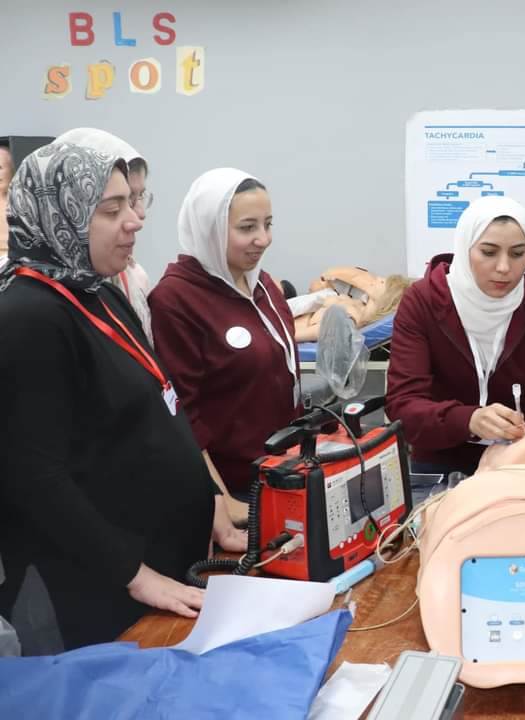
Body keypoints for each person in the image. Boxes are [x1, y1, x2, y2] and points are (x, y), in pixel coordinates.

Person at [0, 143, 244, 652]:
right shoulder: (27, 316)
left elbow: (160, 403)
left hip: (162, 563)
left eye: (132, 204)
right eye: (111, 210)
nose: (134, 221)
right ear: (59, 217)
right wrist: (136, 575)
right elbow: (36, 477)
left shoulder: (98, 290)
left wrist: (210, 500)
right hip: (97, 586)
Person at [386, 196, 525, 479]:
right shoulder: (422, 303)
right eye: (489, 252)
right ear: (465, 248)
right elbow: (404, 406)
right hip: (441, 466)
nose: (504, 267)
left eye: (517, 253)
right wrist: (469, 420)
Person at [149, 169, 301, 524]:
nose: (263, 239)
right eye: (247, 228)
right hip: (232, 492)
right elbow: (182, 416)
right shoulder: (175, 299)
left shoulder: (261, 284)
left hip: (281, 473)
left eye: (268, 224)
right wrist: (222, 501)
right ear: (210, 229)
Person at [54, 128, 155, 342]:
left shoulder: (134, 277)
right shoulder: (23, 294)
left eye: (140, 196)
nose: (140, 215)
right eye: (115, 207)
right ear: (71, 204)